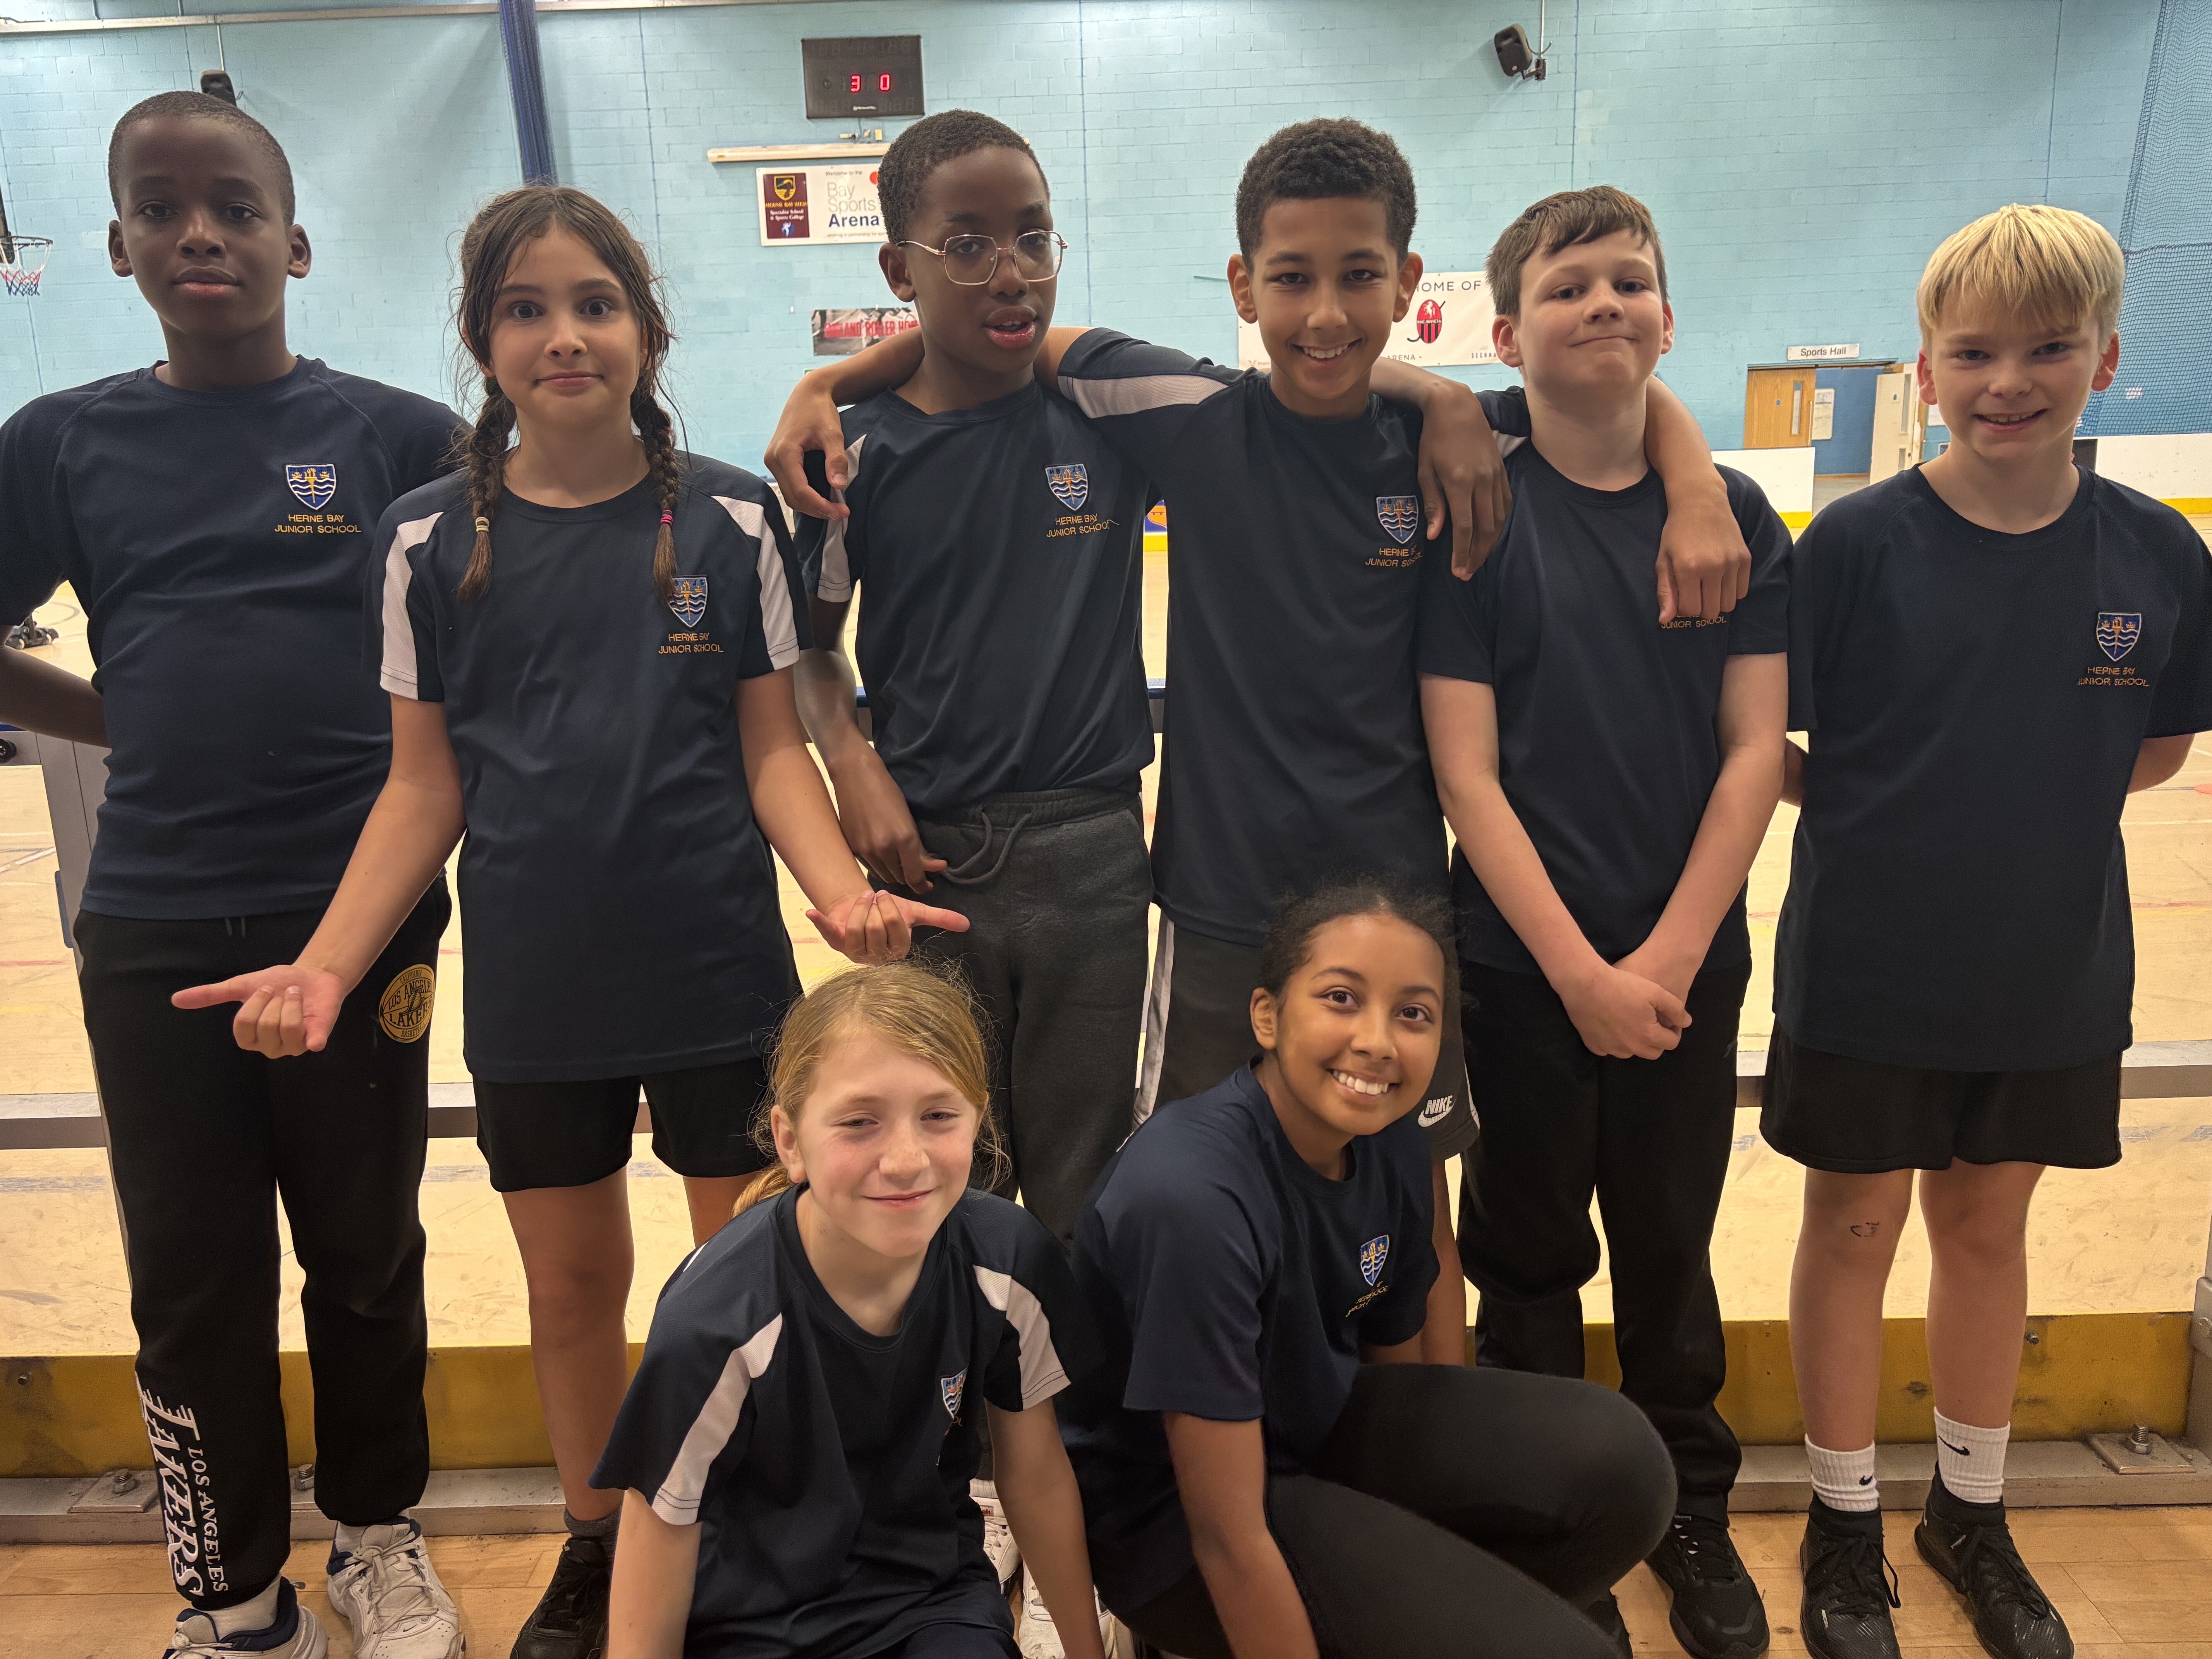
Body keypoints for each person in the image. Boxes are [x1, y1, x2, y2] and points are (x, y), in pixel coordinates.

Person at [772, 116, 1752, 1362]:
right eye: (1292, 278)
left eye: (1360, 277)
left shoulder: (1459, 439)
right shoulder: (1183, 411)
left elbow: (1613, 390)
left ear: (1409, 283)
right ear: (1243, 286)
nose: (1327, 313)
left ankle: (1420, 1443)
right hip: (1216, 900)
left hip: (1397, 899)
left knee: (1410, 1202)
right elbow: (1007, 332)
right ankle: (1198, 1440)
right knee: (1202, 1186)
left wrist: (1683, 473)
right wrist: (824, 383)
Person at [175, 185, 964, 1659]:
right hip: (539, 992)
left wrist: (835, 892)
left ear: (645, 330)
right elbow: (423, 788)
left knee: (753, 1275)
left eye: (596, 304)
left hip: (721, 974)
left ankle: (759, 1525)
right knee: (574, 1285)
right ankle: (601, 1539)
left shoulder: (728, 516)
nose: (564, 335)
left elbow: (771, 750)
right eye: (525, 309)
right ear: (482, 340)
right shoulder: (422, 540)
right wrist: (331, 963)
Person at [0, 92, 465, 1659]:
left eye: (236, 207)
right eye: (162, 207)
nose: (200, 233)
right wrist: (120, 717)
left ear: (297, 242)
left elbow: (503, 636)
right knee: (192, 1277)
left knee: (367, 1253)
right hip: (155, 926)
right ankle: (235, 1595)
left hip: (362, 919)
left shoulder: (399, 437)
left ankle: (380, 1537)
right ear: (116, 244)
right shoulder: (60, 442)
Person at [1767, 203, 2212, 1659]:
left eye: (2047, 349)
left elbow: (2157, 746)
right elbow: (1766, 738)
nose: (2008, 380)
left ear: (2107, 359)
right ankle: (1843, 1522)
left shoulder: (2156, 554)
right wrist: (1880, 814)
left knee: (1984, 1228)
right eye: (1972, 353)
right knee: (1852, 1227)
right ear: (1925, 369)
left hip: (2047, 971)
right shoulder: (1852, 546)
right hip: (1866, 969)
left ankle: (1970, 1509)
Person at [1419, 185, 1791, 1659]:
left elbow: (1755, 752)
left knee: (1668, 1241)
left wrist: (1667, 957)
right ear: (1508, 333)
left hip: (1686, 962)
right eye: (1568, 287)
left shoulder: (1733, 516)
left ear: (1669, 319)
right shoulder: (1479, 514)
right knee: (1523, 1259)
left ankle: (1689, 1505)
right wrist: (1576, 971)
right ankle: (1549, 1523)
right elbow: (1466, 774)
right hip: (1522, 968)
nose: (1604, 304)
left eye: (1630, 280)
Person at [1058, 877, 1677, 1659]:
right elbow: (1228, 1536)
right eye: (1341, 999)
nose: (1379, 1041)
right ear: (1267, 1016)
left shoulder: (1391, 1142)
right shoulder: (1189, 1199)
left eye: (1413, 1013)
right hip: (1175, 1528)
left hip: (1308, 1435)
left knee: (1625, 1469)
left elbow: (1397, 1379)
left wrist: (1415, 1557)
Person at [782, 112, 1154, 1251]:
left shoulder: (1107, 421)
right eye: (968, 244)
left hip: (1096, 853)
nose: (1011, 272)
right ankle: (963, 1369)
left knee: (1090, 1180)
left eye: (1034, 238)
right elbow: (808, 650)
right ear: (900, 270)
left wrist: (1444, 400)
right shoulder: (855, 458)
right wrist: (851, 760)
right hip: (933, 860)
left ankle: (1076, 1374)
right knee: (951, 1179)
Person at [599, 962, 1107, 1659]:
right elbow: (658, 1529)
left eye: (938, 1116)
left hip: (930, 1605)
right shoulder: (717, 1320)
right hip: (752, 1624)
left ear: (979, 1120)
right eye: (859, 1123)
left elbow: (1036, 1476)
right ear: (789, 1140)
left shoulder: (1007, 1260)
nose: (904, 1160)